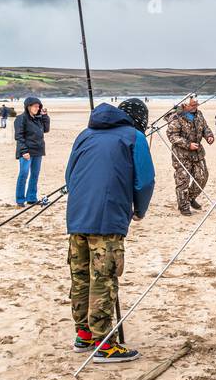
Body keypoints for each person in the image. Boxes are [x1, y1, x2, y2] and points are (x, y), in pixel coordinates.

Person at [65, 98, 154, 364]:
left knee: (80, 276)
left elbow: (70, 175)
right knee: (103, 278)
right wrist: (139, 210)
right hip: (108, 217)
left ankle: (84, 334)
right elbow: (145, 180)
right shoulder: (134, 137)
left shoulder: (85, 133)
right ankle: (104, 344)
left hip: (77, 215)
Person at [166, 96, 214, 215]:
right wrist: (188, 145)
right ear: (184, 105)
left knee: (202, 177)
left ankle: (190, 198)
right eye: (193, 105)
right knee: (183, 181)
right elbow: (172, 136)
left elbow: (205, 128)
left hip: (197, 153)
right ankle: (183, 206)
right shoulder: (176, 118)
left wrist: (209, 136)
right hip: (181, 155)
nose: (196, 107)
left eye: (197, 104)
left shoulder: (199, 114)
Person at [13, 96, 50, 206]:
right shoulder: (21, 118)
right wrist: (24, 151)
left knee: (35, 175)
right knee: (23, 174)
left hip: (38, 150)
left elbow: (46, 129)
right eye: (35, 106)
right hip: (26, 152)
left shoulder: (38, 118)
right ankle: (20, 200)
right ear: (28, 107)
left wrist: (45, 116)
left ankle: (31, 198)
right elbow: (19, 136)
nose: (37, 108)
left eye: (38, 106)